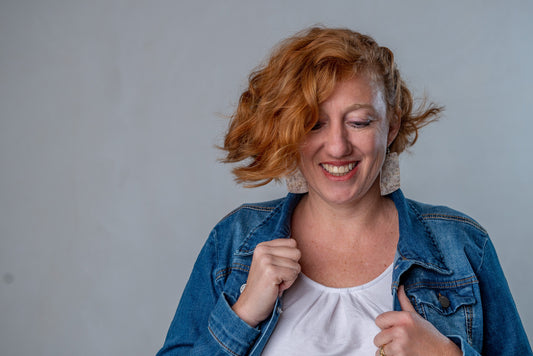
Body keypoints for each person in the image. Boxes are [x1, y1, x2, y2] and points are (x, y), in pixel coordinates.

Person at [156, 27, 531, 356]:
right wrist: (242, 315)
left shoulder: (462, 245)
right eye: (313, 124)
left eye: (359, 122)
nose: (337, 147)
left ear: (392, 126)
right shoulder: (233, 242)